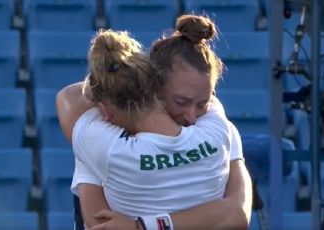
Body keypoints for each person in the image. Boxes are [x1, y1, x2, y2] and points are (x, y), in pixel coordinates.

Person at [57, 15, 252, 230]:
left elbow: (68, 99)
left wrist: (139, 226)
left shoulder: (103, 144)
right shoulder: (218, 129)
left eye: (201, 104)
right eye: (181, 101)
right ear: (156, 88)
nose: (192, 117)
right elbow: (235, 212)